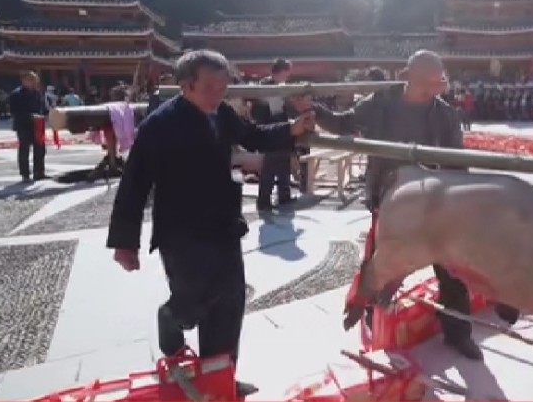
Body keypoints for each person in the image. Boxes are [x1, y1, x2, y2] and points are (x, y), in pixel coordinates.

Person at [106, 50, 316, 397]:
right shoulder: (159, 126)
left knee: (229, 304)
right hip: (181, 233)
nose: (219, 92)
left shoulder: (222, 114)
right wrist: (125, 242)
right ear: (186, 85)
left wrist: (292, 128)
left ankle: (220, 377)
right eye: (210, 86)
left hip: (223, 225)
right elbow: (134, 183)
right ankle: (171, 317)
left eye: (224, 85)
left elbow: (253, 136)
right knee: (193, 301)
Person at [304, 50, 507, 361]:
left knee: (451, 269)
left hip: (432, 202)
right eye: (430, 80)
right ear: (411, 76)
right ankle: (374, 321)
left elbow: (457, 165)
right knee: (379, 262)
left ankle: (458, 333)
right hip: (390, 199)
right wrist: (314, 112)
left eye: (438, 81)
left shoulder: (444, 115)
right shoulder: (381, 102)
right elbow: (346, 124)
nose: (435, 86)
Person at [252, 58, 297, 210]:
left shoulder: (281, 86)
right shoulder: (265, 87)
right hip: (270, 128)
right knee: (270, 167)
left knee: (284, 164)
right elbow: (268, 110)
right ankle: (264, 200)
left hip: (281, 127)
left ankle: (284, 196)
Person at [9, 71, 48, 183]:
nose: (34, 82)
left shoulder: (38, 93)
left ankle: (39, 172)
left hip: (38, 125)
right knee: (24, 150)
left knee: (40, 149)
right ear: (24, 80)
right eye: (31, 79)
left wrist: (47, 114)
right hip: (23, 125)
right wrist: (30, 116)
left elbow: (44, 107)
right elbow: (14, 111)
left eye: (35, 80)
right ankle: (25, 174)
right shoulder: (16, 94)